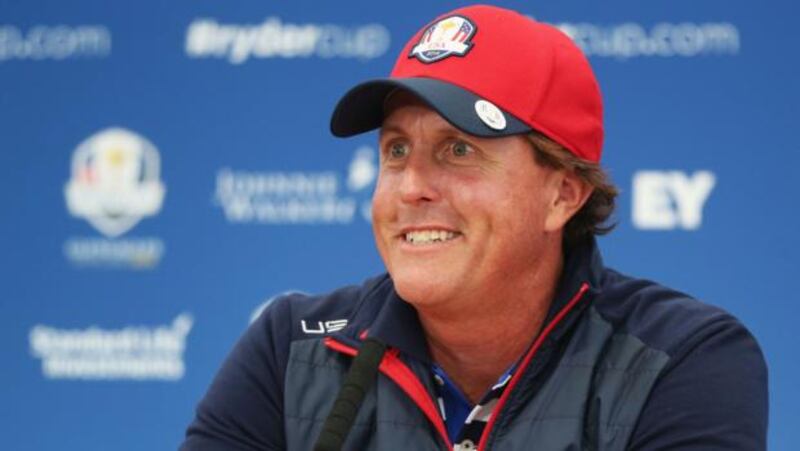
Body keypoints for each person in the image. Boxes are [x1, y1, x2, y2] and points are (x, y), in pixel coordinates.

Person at [181, 5, 767, 450]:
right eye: (396, 150)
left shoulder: (683, 358)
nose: (411, 186)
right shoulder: (292, 346)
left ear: (562, 194)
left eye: (458, 149)